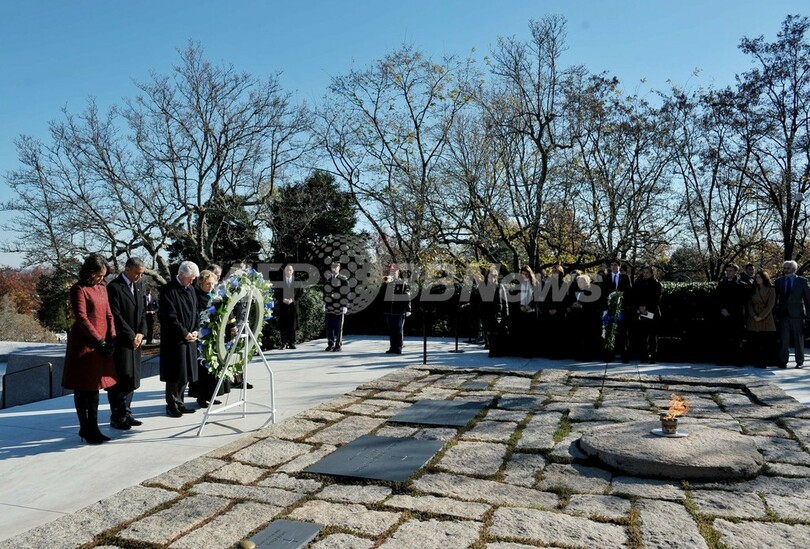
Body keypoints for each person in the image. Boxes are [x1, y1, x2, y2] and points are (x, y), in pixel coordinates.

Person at [61, 254, 117, 444]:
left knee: (95, 388)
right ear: (89, 272)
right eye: (98, 275)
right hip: (85, 344)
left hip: (101, 345)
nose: (101, 279)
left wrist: (112, 338)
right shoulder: (79, 289)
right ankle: (85, 428)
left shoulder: (102, 289)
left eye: (103, 276)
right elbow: (82, 318)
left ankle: (93, 427)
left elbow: (109, 315)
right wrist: (99, 340)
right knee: (83, 388)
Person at [106, 257, 147, 430]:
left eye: (141, 274)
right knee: (119, 380)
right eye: (137, 273)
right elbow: (116, 316)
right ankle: (117, 416)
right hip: (121, 342)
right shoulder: (114, 287)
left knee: (131, 379)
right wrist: (131, 335)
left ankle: (127, 412)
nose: (139, 277)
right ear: (127, 269)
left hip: (135, 342)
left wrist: (141, 333)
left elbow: (143, 312)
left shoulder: (138, 286)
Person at [159, 261, 200, 417]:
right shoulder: (168, 290)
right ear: (181, 275)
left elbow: (196, 311)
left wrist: (195, 330)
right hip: (175, 339)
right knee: (175, 374)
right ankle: (172, 404)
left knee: (186, 373)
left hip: (190, 338)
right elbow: (170, 316)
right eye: (190, 278)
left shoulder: (191, 289)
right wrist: (184, 333)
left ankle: (180, 402)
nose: (192, 281)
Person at [188, 270, 231, 408]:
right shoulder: (197, 296)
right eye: (208, 284)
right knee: (203, 368)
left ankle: (211, 395)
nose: (210, 286)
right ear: (201, 283)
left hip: (215, 334)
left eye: (212, 284)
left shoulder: (214, 295)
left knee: (213, 366)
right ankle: (201, 397)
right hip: (203, 335)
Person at [775, 260, 810, 368]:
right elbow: (775, 299)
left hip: (797, 315)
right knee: (784, 339)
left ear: (794, 269)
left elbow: (808, 299)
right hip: (783, 314)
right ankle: (783, 361)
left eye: (788, 268)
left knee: (798, 339)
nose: (786, 270)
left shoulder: (802, 281)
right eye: (785, 268)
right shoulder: (779, 281)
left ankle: (799, 362)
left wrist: (808, 315)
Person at [714, 263, 749, 365]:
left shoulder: (742, 285)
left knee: (737, 338)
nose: (728, 273)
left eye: (730, 271)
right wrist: (722, 309)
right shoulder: (721, 284)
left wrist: (731, 311)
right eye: (727, 271)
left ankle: (738, 360)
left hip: (737, 315)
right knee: (723, 338)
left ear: (735, 272)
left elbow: (742, 301)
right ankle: (723, 359)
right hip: (723, 315)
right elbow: (717, 299)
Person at [599, 259, 633, 362]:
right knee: (609, 331)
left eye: (615, 265)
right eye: (612, 265)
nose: (613, 267)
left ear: (619, 266)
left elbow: (629, 292)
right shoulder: (605, 278)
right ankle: (609, 355)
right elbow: (602, 293)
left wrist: (623, 305)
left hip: (621, 309)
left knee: (622, 332)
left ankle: (624, 355)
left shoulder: (625, 277)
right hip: (609, 309)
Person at [564, 272, 602, 360]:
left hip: (588, 318)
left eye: (581, 282)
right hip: (576, 317)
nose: (579, 283)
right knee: (578, 336)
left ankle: (588, 356)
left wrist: (582, 306)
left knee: (588, 337)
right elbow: (569, 300)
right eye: (578, 282)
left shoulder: (592, 291)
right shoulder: (575, 291)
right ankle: (578, 354)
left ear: (586, 282)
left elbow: (594, 305)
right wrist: (572, 305)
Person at [746, 270, 777, 368]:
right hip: (754, 317)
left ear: (764, 278)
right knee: (755, 341)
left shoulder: (771, 290)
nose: (757, 279)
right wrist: (754, 315)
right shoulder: (752, 289)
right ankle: (756, 360)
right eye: (756, 277)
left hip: (766, 317)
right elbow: (749, 304)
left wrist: (761, 316)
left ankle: (764, 361)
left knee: (765, 341)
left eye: (759, 277)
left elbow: (770, 305)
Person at [632, 265, 662, 363]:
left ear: (652, 273)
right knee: (642, 336)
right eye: (644, 272)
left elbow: (656, 299)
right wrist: (639, 307)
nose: (645, 274)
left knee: (652, 336)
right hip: (641, 312)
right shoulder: (638, 283)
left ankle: (653, 356)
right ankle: (643, 356)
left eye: (647, 272)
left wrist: (646, 308)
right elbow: (635, 296)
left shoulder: (656, 284)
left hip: (652, 312)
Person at [381, 264, 411, 354]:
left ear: (398, 273)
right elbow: (382, 296)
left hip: (399, 311)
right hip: (389, 311)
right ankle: (392, 347)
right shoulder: (387, 283)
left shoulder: (403, 283)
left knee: (398, 330)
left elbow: (407, 296)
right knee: (391, 330)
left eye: (394, 272)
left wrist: (408, 309)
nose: (393, 273)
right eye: (391, 272)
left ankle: (398, 347)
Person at [479, 266, 509, 352]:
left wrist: (506, 313)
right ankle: (491, 349)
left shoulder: (500, 286)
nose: (494, 277)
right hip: (487, 312)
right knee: (489, 331)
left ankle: (496, 349)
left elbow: (505, 301)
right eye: (492, 275)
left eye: (495, 275)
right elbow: (479, 301)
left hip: (497, 312)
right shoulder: (482, 286)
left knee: (497, 331)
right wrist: (481, 313)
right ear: (487, 275)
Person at [323, 261, 349, 351]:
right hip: (330, 305)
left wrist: (345, 305)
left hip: (339, 305)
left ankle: (338, 345)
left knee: (338, 326)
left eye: (336, 268)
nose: (334, 269)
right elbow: (325, 291)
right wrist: (324, 303)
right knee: (329, 325)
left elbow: (346, 292)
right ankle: (330, 344)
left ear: (339, 268)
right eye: (332, 267)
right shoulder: (328, 278)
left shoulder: (343, 279)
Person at [277, 263, 301, 349]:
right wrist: (282, 299)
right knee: (283, 325)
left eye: (290, 270)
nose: (288, 271)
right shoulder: (280, 281)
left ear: (293, 271)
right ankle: (283, 343)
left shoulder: (297, 281)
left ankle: (292, 343)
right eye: (287, 270)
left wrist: (292, 300)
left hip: (293, 306)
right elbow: (276, 293)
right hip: (283, 306)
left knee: (292, 325)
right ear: (284, 271)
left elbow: (300, 294)